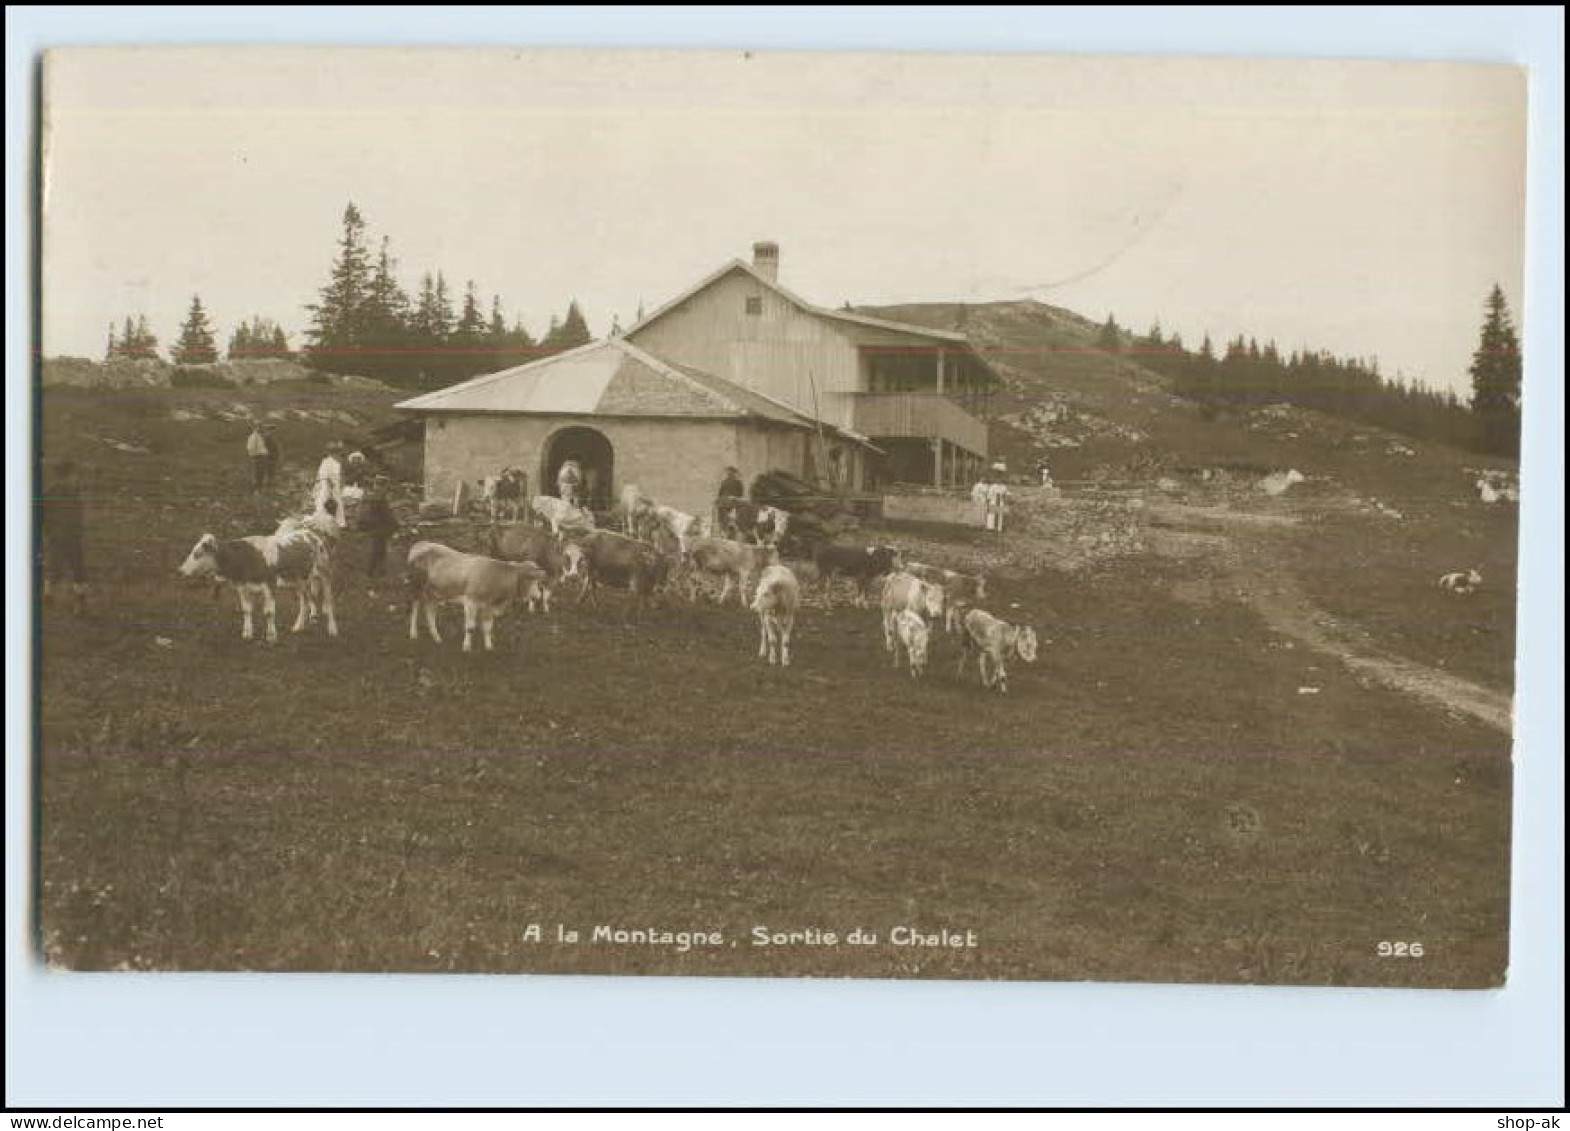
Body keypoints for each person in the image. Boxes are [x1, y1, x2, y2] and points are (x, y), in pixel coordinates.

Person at [40, 460, 88, 611]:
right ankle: (79, 602)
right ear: (68, 474)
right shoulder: (72, 492)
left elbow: (42, 514)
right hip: (70, 535)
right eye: (73, 474)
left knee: (55, 565)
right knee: (77, 567)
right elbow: (77, 515)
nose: (75, 477)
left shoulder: (50, 491)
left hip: (56, 535)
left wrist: (48, 531)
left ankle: (48, 594)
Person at [360, 474, 400, 578]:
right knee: (378, 550)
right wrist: (396, 525)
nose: (386, 489)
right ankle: (372, 572)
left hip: (375, 527)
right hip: (379, 527)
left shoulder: (374, 496)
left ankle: (377, 571)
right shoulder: (379, 498)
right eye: (385, 486)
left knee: (379, 549)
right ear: (382, 486)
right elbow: (386, 514)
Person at [314, 441, 346, 529]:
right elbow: (323, 475)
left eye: (337, 452)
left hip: (335, 484)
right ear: (330, 453)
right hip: (327, 485)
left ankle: (339, 522)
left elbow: (339, 475)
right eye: (334, 452)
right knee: (324, 500)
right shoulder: (326, 462)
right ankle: (322, 520)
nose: (336, 454)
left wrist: (339, 484)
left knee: (337, 502)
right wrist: (329, 484)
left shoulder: (338, 463)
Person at [246, 424, 270, 491]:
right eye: (259, 427)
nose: (261, 429)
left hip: (262, 457)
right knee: (256, 473)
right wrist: (254, 456)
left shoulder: (259, 436)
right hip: (258, 457)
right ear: (256, 428)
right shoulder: (253, 437)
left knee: (261, 473)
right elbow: (250, 448)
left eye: (261, 427)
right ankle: (256, 488)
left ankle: (260, 488)